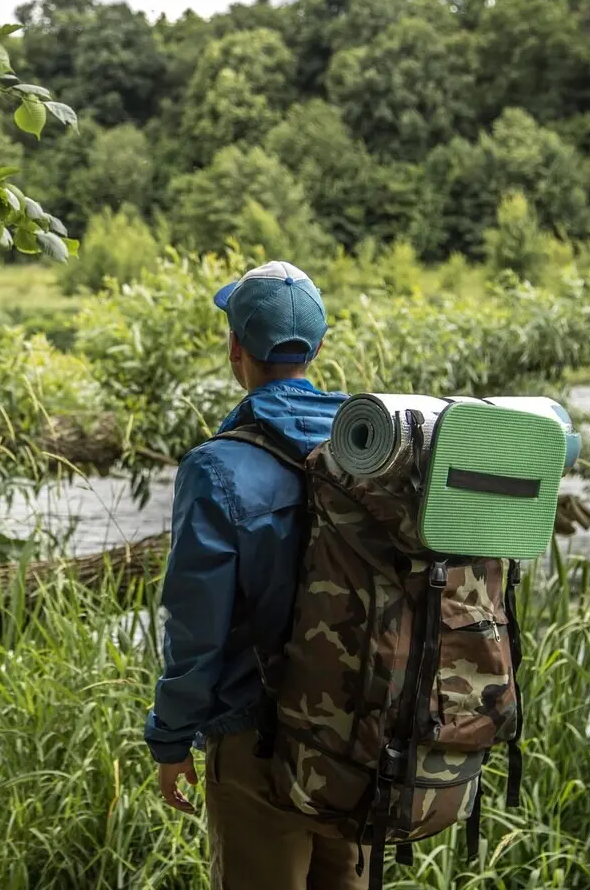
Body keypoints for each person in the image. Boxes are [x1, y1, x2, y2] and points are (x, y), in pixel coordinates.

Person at [143, 261, 360, 889]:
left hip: (254, 742)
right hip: (365, 732)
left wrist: (171, 739)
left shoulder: (217, 468)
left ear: (235, 348)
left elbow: (195, 629)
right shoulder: (376, 448)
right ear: (319, 348)